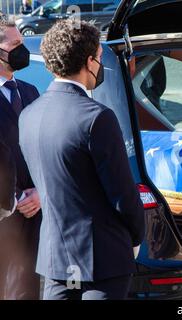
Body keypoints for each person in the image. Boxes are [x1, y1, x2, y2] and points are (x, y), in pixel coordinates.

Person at [18, 19, 145, 300]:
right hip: (101, 260)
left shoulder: (28, 115)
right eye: (100, 58)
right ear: (89, 61)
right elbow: (123, 195)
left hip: (56, 260)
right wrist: (136, 238)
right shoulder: (96, 117)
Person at [0, 17, 41, 300]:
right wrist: (14, 198)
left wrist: (41, 192)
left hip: (35, 218)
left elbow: (43, 151)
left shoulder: (30, 92)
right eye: (15, 45)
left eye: (23, 44)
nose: (21, 51)